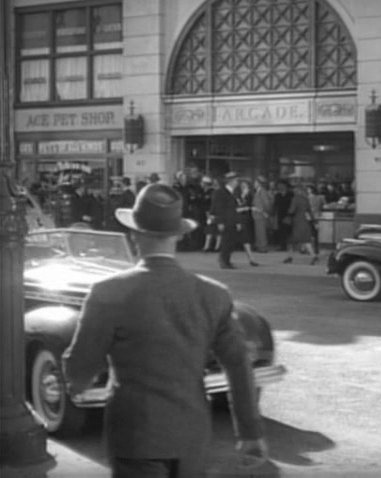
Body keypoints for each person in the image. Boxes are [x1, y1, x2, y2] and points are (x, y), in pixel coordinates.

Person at [62, 183, 267, 478]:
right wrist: (250, 431)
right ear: (179, 235)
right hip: (191, 434)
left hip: (134, 434)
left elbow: (81, 364)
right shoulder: (213, 294)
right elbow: (239, 366)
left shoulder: (109, 291)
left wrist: (76, 383)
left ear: (134, 235)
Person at [209, 171, 241, 269]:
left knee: (231, 242)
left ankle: (227, 260)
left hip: (232, 221)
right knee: (226, 242)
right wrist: (220, 222)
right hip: (225, 221)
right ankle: (223, 261)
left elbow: (236, 209)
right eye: (235, 180)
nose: (237, 182)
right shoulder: (220, 192)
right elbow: (219, 208)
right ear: (230, 181)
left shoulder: (234, 193)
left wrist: (238, 221)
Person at [283, 184, 319, 265]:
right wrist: (314, 222)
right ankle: (313, 255)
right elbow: (310, 211)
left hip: (297, 221)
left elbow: (291, 210)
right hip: (305, 221)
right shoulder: (305, 199)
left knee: (290, 241)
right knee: (306, 241)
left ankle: (289, 257)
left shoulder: (295, 199)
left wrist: (287, 215)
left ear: (297, 191)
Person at [236, 179, 259, 266]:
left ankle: (251, 258)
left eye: (246, 186)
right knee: (231, 240)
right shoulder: (237, 196)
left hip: (246, 220)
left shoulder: (249, 196)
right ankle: (225, 258)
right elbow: (237, 209)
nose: (245, 188)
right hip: (238, 219)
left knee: (246, 239)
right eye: (243, 186)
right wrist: (247, 208)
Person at [252, 175, 273, 253]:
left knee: (261, 231)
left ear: (259, 183)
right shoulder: (258, 191)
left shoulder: (262, 192)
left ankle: (263, 247)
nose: (254, 184)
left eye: (255, 182)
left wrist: (266, 212)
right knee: (258, 231)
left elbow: (266, 203)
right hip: (256, 214)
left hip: (261, 214)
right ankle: (259, 245)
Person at [273, 179, 293, 251]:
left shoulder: (291, 194)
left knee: (289, 231)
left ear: (286, 186)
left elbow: (293, 205)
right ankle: (283, 246)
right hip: (280, 215)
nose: (280, 187)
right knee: (281, 231)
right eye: (279, 186)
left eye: (282, 185)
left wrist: (290, 215)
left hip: (289, 215)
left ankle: (290, 246)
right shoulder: (277, 195)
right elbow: (275, 205)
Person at [306, 184, 325, 253]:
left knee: (310, 233)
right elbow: (324, 205)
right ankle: (316, 249)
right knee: (315, 233)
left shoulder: (307, 198)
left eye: (308, 189)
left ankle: (310, 249)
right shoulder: (320, 197)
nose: (307, 190)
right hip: (317, 217)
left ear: (311, 190)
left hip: (309, 217)